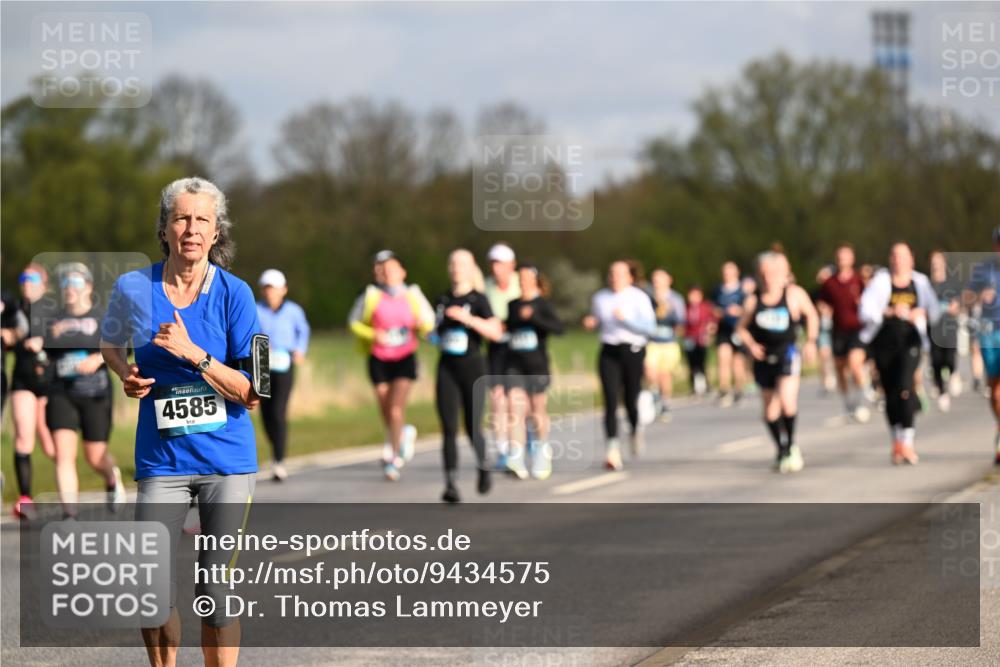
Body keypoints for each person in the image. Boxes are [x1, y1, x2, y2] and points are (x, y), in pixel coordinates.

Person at [101, 176, 263, 667]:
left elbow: (253, 391)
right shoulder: (133, 287)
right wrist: (125, 373)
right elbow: (110, 341)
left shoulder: (236, 294)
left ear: (217, 234)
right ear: (165, 228)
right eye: (181, 218)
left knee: (214, 591)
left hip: (227, 462)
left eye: (202, 220)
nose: (191, 229)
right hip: (161, 459)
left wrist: (194, 354)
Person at [44, 263, 125, 516]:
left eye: (76, 283)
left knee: (94, 456)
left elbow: (124, 349)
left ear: (88, 287)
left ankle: (112, 477)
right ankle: (70, 514)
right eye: (65, 284)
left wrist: (99, 359)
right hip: (62, 391)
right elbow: (45, 354)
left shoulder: (103, 316)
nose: (69, 289)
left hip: (96, 393)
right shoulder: (54, 320)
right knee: (64, 454)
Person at [348, 250, 434, 481]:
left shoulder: (413, 295)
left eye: (393, 270)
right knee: (386, 409)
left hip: (405, 358)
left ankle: (393, 458)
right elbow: (353, 323)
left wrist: (422, 326)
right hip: (378, 358)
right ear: (380, 275)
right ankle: (402, 434)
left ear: (403, 272)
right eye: (384, 271)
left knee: (396, 409)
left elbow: (429, 322)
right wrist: (373, 334)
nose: (389, 274)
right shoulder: (371, 295)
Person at [737, 251, 819, 473]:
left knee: (787, 402)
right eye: (763, 274)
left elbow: (812, 314)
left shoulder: (793, 295)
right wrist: (752, 345)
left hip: (787, 353)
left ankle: (791, 445)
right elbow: (741, 329)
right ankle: (780, 447)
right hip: (764, 358)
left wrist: (811, 341)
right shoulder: (753, 300)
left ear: (780, 273)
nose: (767, 278)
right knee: (770, 412)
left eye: (771, 273)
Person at [860, 242, 941, 465]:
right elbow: (865, 310)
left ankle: (907, 440)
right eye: (894, 256)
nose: (898, 261)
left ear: (911, 259)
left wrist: (919, 313)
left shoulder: (920, 283)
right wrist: (889, 311)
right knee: (890, 392)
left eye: (903, 256)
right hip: (884, 343)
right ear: (890, 259)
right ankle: (897, 439)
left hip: (910, 341)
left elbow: (934, 311)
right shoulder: (881, 281)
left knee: (905, 388)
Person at [434, 249, 503, 503]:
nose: (455, 268)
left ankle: (484, 467)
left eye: (461, 264)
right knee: (448, 427)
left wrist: (468, 319)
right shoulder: (441, 299)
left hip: (473, 366)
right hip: (447, 367)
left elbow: (495, 332)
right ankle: (450, 483)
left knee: (472, 426)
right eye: (452, 263)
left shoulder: (479, 299)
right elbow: (434, 332)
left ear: (471, 267)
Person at [583, 260, 655, 470]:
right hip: (609, 351)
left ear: (630, 277)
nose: (615, 278)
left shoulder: (639, 297)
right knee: (610, 400)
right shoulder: (600, 298)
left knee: (631, 399)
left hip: (633, 350)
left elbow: (650, 327)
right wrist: (591, 322)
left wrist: (627, 320)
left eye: (620, 274)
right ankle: (612, 449)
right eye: (612, 274)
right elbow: (596, 320)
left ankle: (634, 429)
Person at [504, 262, 564, 480]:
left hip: (537, 365)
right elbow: (507, 330)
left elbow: (559, 328)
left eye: (527, 276)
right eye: (520, 277)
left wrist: (534, 318)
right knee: (515, 408)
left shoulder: (542, 304)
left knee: (537, 411)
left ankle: (541, 450)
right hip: (514, 365)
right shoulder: (512, 305)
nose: (523, 280)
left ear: (535, 279)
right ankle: (516, 456)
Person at [7, 263, 57, 518]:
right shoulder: (14, 309)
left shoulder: (54, 310)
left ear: (44, 284)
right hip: (23, 381)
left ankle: (68, 495)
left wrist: (44, 340)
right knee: (23, 437)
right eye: (24, 277)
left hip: (50, 383)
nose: (28, 282)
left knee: (51, 445)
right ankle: (25, 498)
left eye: (34, 278)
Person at [256, 268, 310, 481]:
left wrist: (300, 350)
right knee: (266, 413)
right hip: (261, 363)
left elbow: (303, 331)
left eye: (275, 289)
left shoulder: (294, 311)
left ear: (283, 290)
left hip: (285, 362)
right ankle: (275, 446)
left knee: (279, 411)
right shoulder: (255, 309)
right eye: (267, 289)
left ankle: (279, 461)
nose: (271, 293)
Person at [818, 243, 871, 422]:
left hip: (857, 329)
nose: (842, 260)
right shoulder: (829, 282)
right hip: (838, 330)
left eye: (846, 256)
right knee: (841, 368)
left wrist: (862, 303)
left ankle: (860, 402)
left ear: (852, 259)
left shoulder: (859, 280)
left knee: (855, 364)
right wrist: (824, 309)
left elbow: (871, 300)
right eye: (839, 257)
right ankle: (848, 402)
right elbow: (821, 301)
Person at [483, 243, 521, 473]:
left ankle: (521, 445)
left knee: (517, 402)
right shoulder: (486, 287)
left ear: (511, 265)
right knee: (497, 400)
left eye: (501, 263)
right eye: (493, 263)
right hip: (496, 349)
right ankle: (502, 449)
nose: (497, 269)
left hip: (520, 350)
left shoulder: (521, 283)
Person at [965, 227, 1000, 463]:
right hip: (990, 333)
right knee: (996, 391)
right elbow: (966, 296)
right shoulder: (984, 269)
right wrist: (979, 297)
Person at [645, 269, 686, 421]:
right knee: (650, 371)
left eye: (660, 280)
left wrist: (670, 311)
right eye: (655, 280)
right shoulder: (648, 297)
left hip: (668, 342)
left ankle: (665, 403)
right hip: (652, 342)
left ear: (668, 280)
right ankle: (654, 394)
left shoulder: (675, 299)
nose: (657, 283)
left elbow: (681, 322)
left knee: (664, 375)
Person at [928, 250, 962, 412]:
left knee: (949, 357)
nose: (936, 265)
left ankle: (954, 373)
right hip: (933, 328)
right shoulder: (927, 284)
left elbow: (959, 301)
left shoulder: (952, 283)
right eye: (933, 261)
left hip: (949, 327)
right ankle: (942, 393)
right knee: (935, 362)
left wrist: (955, 306)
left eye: (938, 261)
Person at [712, 261, 748, 407]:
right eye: (725, 272)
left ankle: (739, 390)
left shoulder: (742, 291)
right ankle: (724, 389)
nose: (727, 275)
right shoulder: (718, 290)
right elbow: (713, 308)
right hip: (723, 329)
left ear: (736, 273)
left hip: (738, 329)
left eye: (730, 272)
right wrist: (719, 313)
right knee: (723, 358)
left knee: (737, 363)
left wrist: (738, 311)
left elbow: (749, 310)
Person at [684, 284, 716, 397]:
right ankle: (693, 386)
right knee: (691, 363)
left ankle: (706, 384)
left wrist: (710, 333)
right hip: (689, 338)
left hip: (701, 338)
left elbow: (712, 321)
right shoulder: (686, 308)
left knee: (702, 362)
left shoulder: (705, 307)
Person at [813, 265, 837, 394]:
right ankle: (825, 380)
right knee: (824, 354)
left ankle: (839, 376)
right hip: (822, 327)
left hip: (836, 326)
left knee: (838, 356)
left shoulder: (836, 290)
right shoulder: (816, 293)